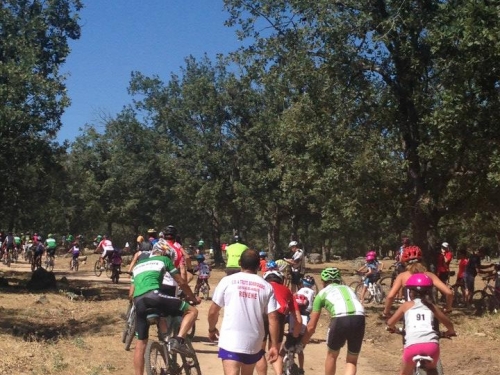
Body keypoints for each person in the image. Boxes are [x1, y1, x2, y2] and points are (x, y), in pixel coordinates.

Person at [129, 243, 200, 375]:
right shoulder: (164, 260)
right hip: (155, 297)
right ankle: (178, 340)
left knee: (140, 344)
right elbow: (181, 282)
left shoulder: (138, 265)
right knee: (192, 311)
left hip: (139, 302)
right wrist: (193, 298)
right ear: (166, 253)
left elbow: (131, 293)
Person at [207, 249, 280, 375]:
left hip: (231, 340)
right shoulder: (266, 286)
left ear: (240, 262)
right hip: (254, 341)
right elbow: (273, 317)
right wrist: (274, 345)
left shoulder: (227, 281)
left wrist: (212, 329)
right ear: (258, 265)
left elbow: (213, 311)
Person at [386, 273, 456, 375]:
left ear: (411, 293)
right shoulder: (432, 306)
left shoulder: (406, 306)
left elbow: (390, 323)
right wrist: (450, 332)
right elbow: (449, 324)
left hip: (412, 347)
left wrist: (391, 328)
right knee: (432, 370)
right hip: (431, 347)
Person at [302, 267, 365, 375]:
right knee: (352, 360)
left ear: (323, 281)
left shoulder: (321, 294)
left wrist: (302, 343)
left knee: (332, 356)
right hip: (359, 317)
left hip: (340, 318)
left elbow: (311, 327)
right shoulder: (348, 289)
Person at [383, 245, 453, 317]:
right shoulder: (430, 275)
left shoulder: (402, 276)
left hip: (410, 313)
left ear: (405, 262)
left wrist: (386, 312)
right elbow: (449, 293)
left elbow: (390, 297)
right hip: (429, 313)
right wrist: (448, 308)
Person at [256, 270, 302, 375]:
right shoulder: (287, 291)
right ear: (281, 280)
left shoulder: (261, 287)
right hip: (279, 317)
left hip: (263, 316)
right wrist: (293, 338)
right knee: (275, 351)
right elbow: (298, 319)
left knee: (260, 353)